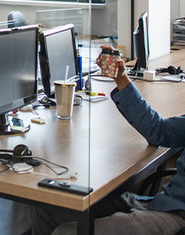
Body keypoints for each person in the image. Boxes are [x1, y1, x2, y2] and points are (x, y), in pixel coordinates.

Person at [32, 46, 185, 234]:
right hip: (164, 202)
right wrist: (121, 78)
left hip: (177, 216)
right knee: (49, 204)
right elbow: (159, 132)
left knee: (65, 233)